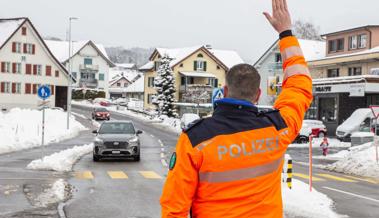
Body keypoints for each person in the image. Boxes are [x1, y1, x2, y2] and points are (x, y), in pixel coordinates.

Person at [160, 0, 313, 217]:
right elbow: (299, 83)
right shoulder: (278, 128)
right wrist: (285, 32)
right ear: (258, 94)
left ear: (223, 90)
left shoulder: (195, 140)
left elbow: (174, 207)